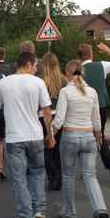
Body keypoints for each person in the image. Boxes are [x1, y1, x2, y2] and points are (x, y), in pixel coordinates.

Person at [0, 52, 55, 218]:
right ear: (28, 64)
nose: (36, 69)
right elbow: (47, 111)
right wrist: (50, 134)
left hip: (15, 138)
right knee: (38, 173)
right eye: (35, 66)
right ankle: (39, 210)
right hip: (35, 136)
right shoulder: (38, 83)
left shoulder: (3, 83)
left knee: (20, 178)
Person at [52, 60, 109, 218]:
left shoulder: (65, 92)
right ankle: (100, 208)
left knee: (68, 175)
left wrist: (50, 134)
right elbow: (96, 119)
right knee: (90, 175)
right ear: (83, 73)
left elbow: (59, 119)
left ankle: (69, 211)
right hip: (89, 136)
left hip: (70, 136)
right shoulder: (92, 92)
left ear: (67, 74)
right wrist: (98, 136)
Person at [78, 42, 110, 181]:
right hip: (101, 105)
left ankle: (88, 168)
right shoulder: (101, 65)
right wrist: (108, 50)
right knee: (100, 136)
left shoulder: (77, 70)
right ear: (91, 54)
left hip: (84, 107)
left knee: (85, 137)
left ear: (79, 56)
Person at [40, 52, 67, 190]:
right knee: (56, 150)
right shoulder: (63, 80)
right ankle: (59, 178)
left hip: (44, 116)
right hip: (59, 117)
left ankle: (53, 177)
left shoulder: (41, 81)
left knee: (45, 150)